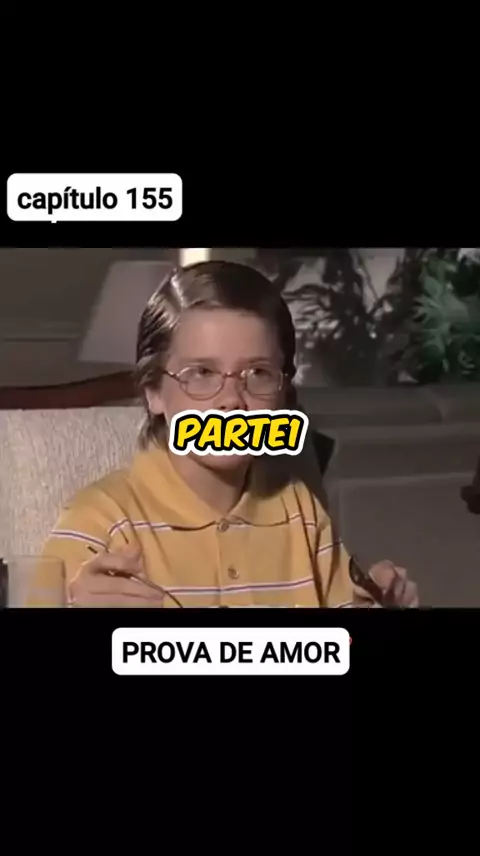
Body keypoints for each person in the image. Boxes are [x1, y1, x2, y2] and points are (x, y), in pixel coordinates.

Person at [41, 261, 419, 608]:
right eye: (202, 373)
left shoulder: (301, 509)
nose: (232, 401)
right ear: (154, 391)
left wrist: (376, 604)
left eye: (258, 373)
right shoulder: (100, 519)